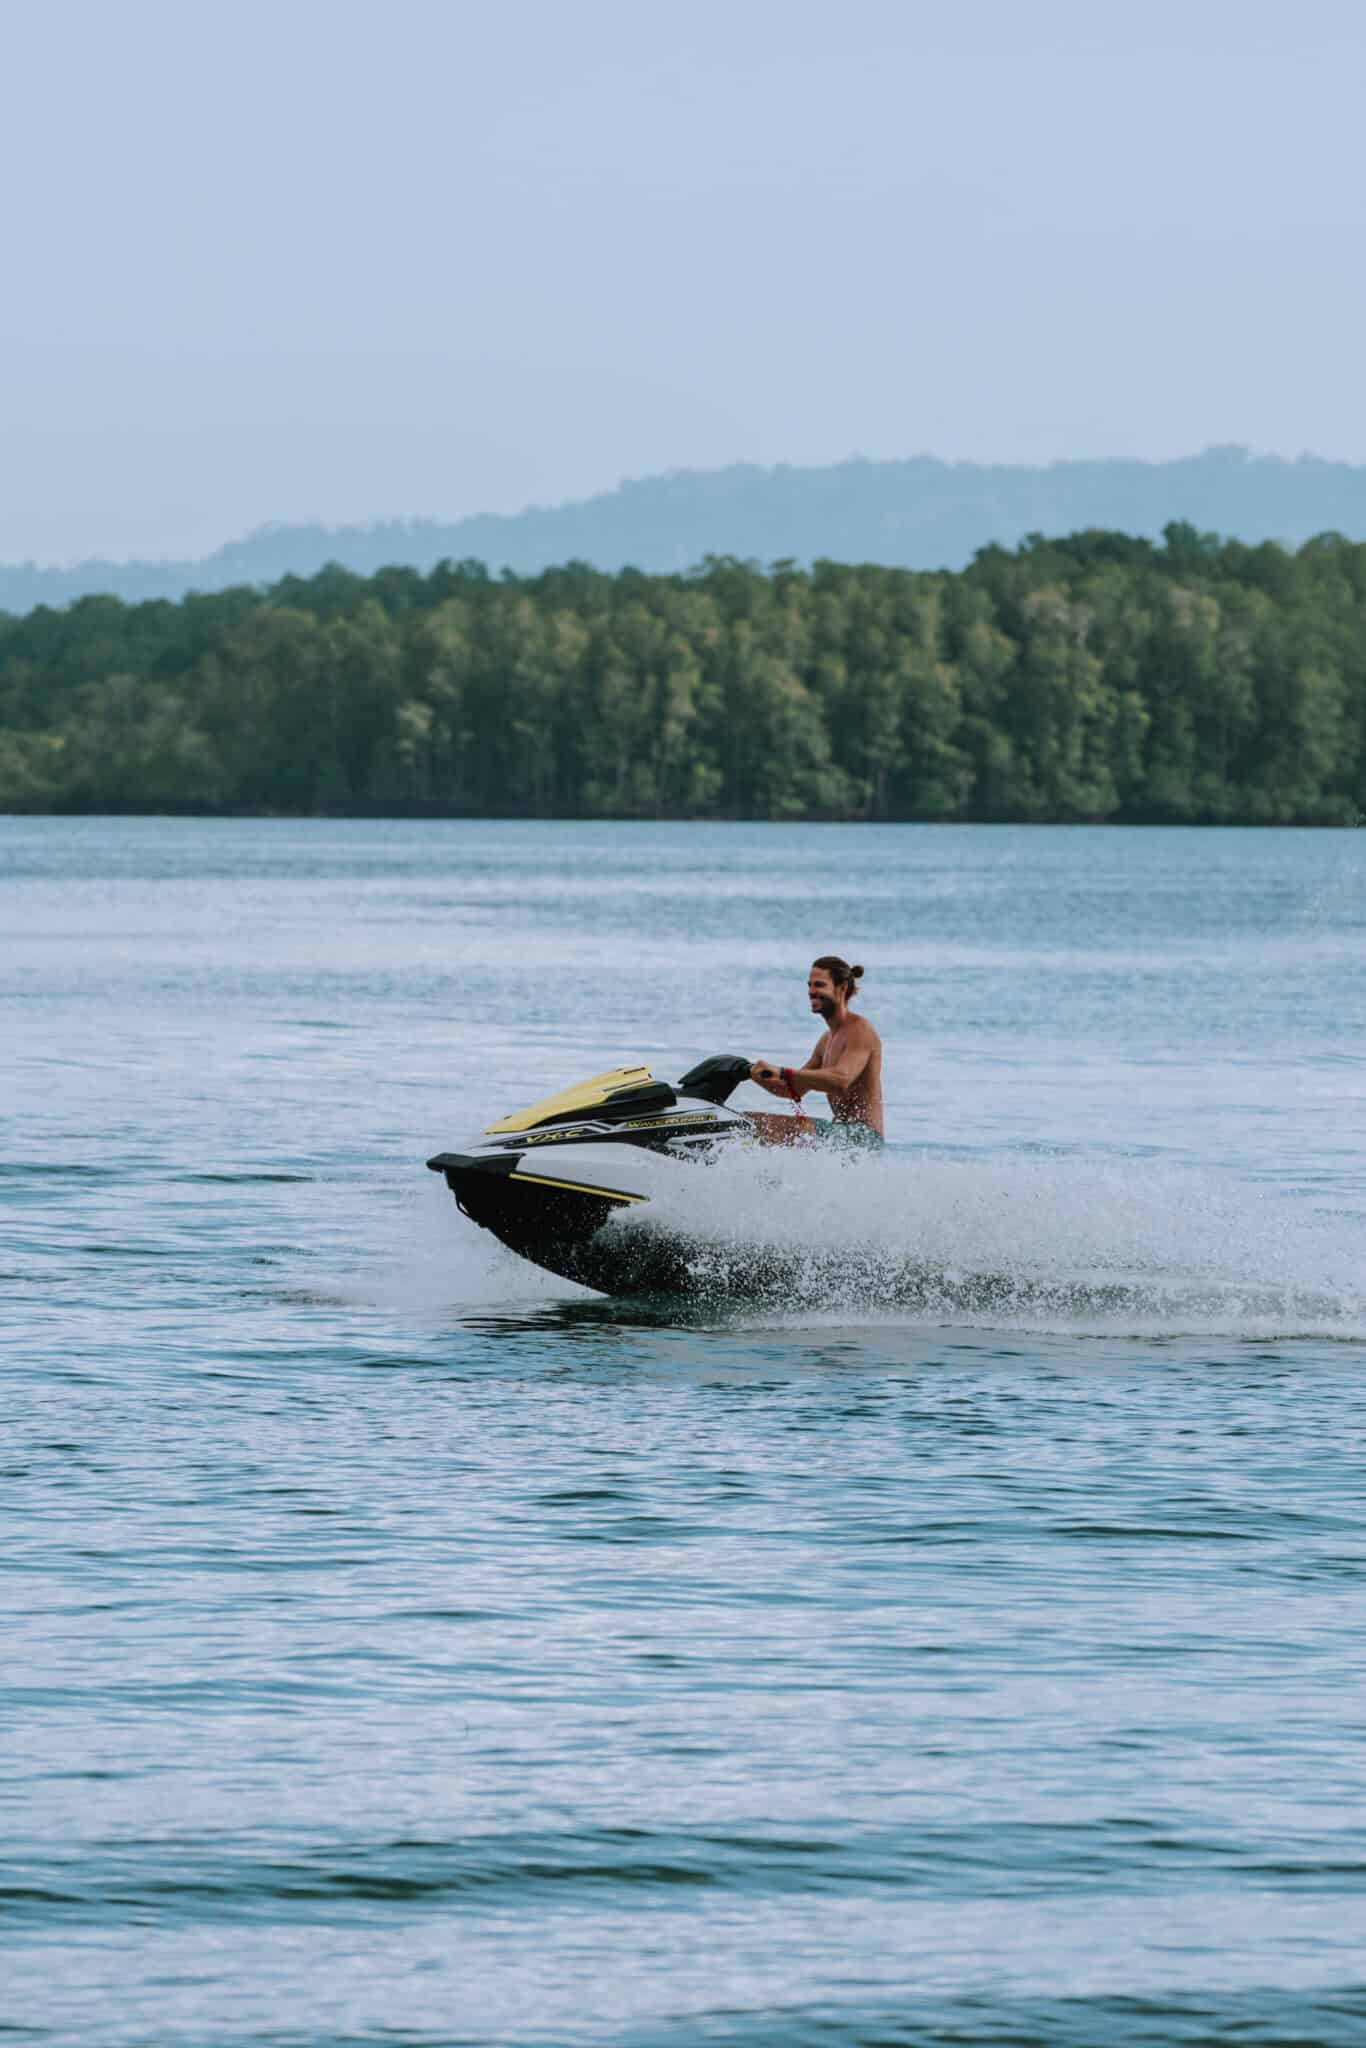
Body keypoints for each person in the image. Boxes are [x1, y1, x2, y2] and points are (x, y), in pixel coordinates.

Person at [751, 956, 884, 1142]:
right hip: (839, 1133)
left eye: (819, 985)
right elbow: (792, 1090)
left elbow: (841, 1079)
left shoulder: (860, 1031)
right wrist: (753, 1074)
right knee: (750, 1121)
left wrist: (782, 1071)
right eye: (809, 985)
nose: (811, 992)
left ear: (842, 988)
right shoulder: (826, 1041)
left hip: (864, 1139)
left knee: (756, 1124)